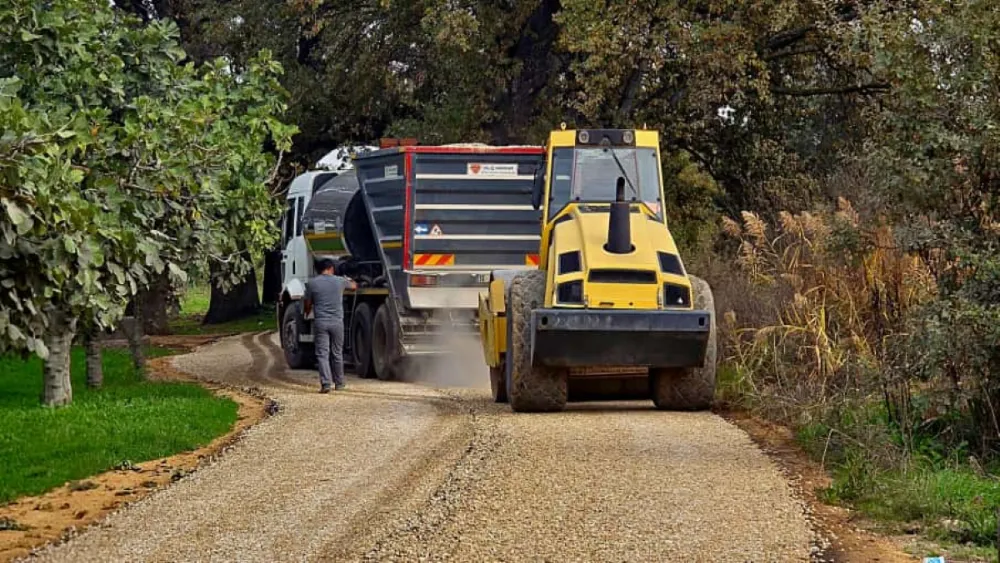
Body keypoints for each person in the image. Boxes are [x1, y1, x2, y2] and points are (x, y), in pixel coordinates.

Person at [303, 258, 357, 393]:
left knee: (322, 354)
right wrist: (348, 278)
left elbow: (308, 303)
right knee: (337, 353)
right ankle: (339, 383)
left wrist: (307, 312)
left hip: (321, 322)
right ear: (331, 268)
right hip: (337, 322)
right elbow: (354, 286)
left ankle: (326, 384)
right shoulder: (339, 281)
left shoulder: (312, 283)